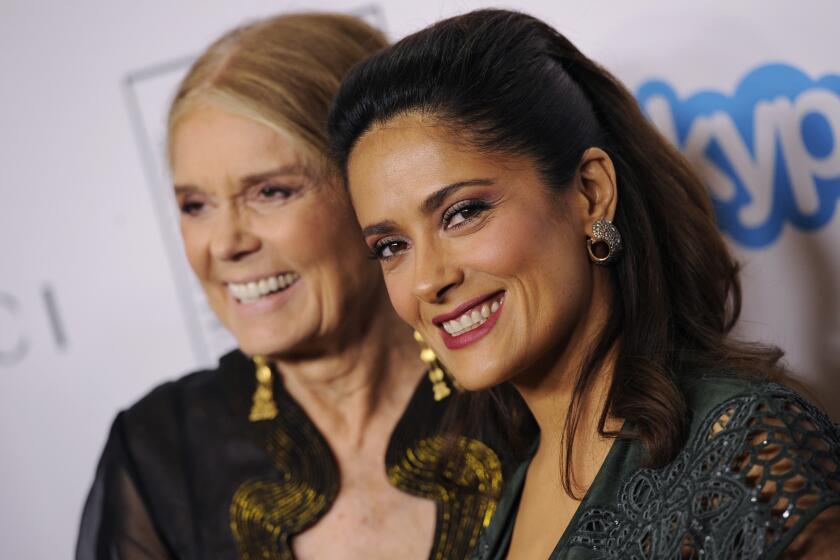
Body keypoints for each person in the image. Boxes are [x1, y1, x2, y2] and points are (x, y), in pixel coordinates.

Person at [328, 9, 840, 559]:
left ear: (590, 194)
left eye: (462, 213)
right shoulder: (509, 492)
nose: (428, 280)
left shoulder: (745, 448)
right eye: (391, 246)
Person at [76, 13, 510, 560]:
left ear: (371, 191)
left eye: (271, 193)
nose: (226, 243)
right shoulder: (159, 449)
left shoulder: (515, 392)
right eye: (196, 205)